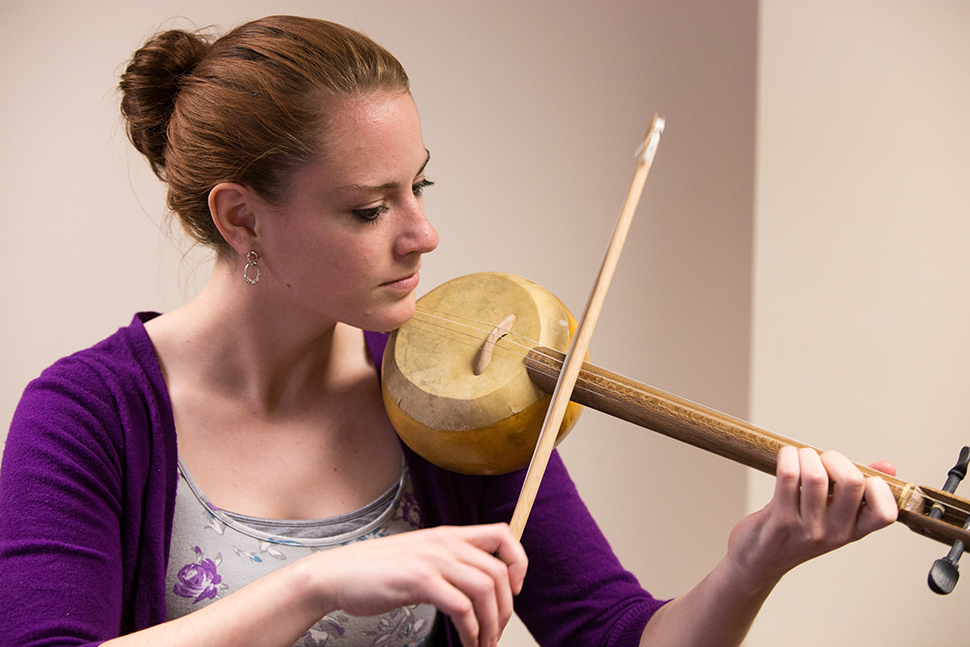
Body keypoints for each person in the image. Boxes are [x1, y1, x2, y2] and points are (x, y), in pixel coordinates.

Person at [0, 15, 899, 647]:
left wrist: (755, 560)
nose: (421, 234)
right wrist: (316, 582)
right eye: (367, 207)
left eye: (417, 187)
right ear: (241, 218)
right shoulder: (89, 414)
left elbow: (614, 635)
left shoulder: (459, 392)